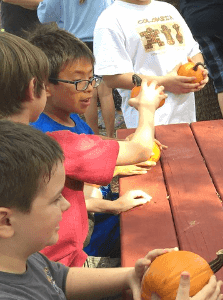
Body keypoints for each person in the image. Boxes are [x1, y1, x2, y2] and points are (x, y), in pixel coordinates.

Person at [0, 122, 223, 300]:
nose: (67, 205)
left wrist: (129, 275)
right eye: (55, 199)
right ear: (6, 220)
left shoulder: (14, 255)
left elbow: (58, 278)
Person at [0, 30, 164, 267]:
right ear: (38, 87)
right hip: (62, 263)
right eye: (79, 81)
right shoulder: (50, 143)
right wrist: (146, 109)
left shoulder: (56, 126)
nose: (89, 88)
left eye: (91, 79)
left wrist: (119, 149)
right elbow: (141, 151)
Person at [94, 0, 208, 129]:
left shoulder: (168, 10)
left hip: (186, 120)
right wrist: (164, 82)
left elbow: (194, 52)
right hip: (146, 125)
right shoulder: (111, 20)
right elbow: (112, 77)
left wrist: (199, 71)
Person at [37, 0, 116, 138]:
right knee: (105, 92)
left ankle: (93, 135)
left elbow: (44, 16)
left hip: (74, 46)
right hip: (100, 42)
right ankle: (113, 134)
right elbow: (111, 12)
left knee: (86, 92)